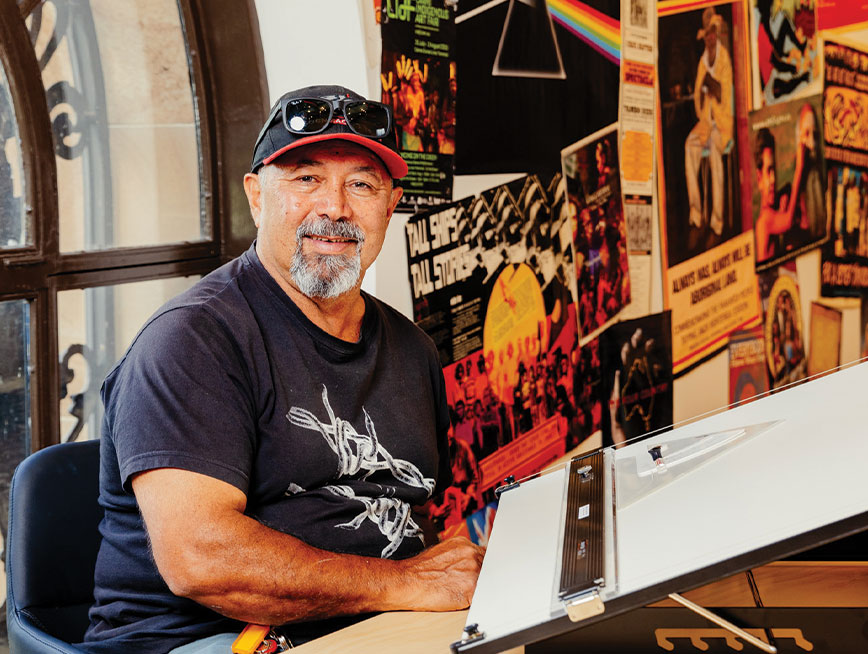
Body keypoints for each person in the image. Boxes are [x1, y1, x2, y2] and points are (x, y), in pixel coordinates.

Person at [80, 85, 484, 654]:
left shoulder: (413, 349)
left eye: (362, 184)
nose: (335, 207)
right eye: (305, 178)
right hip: (203, 638)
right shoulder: (192, 340)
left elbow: (405, 508)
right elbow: (202, 560)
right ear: (256, 196)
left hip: (373, 622)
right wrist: (406, 583)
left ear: (390, 205)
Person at [684, 6, 733, 250]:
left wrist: (709, 85)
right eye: (707, 34)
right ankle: (696, 215)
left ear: (717, 34)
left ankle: (717, 223)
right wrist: (705, 90)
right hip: (706, 122)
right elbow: (697, 97)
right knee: (689, 147)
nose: (711, 38)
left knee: (715, 151)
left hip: (723, 125)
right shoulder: (703, 62)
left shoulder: (724, 60)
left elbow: (725, 93)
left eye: (713, 33)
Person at [753, 126, 806, 262]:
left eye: (774, 170)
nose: (774, 179)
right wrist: (799, 168)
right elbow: (788, 220)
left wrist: (786, 192)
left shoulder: (770, 212)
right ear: (759, 179)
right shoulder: (764, 221)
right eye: (768, 171)